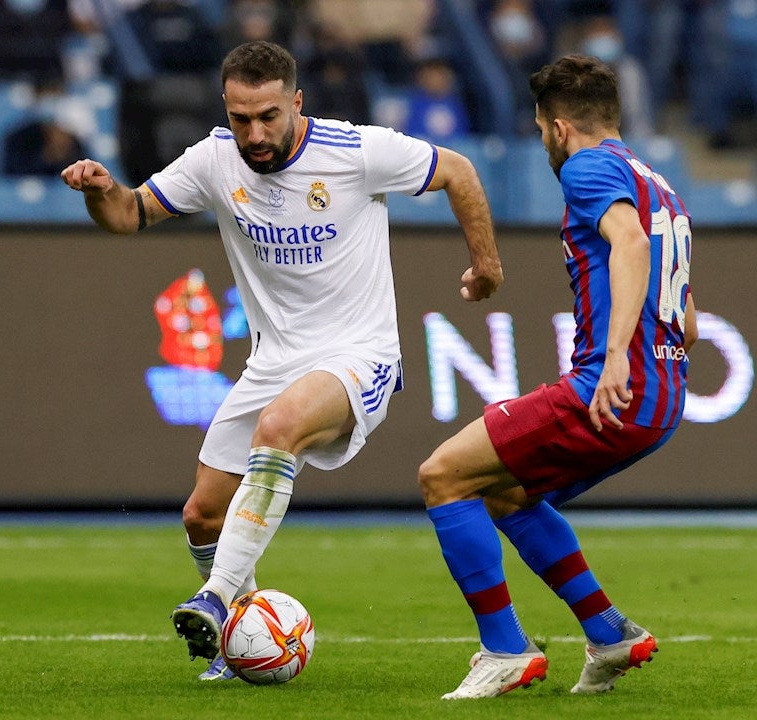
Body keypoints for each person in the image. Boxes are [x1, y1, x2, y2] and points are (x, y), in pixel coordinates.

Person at [61, 40, 503, 681]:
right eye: (241, 118)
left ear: (297, 102)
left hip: (359, 354)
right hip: (273, 363)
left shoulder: (355, 152)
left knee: (279, 429)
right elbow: (129, 214)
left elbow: (458, 170)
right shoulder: (214, 160)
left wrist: (486, 264)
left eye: (268, 116)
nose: (255, 133)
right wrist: (100, 191)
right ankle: (237, 642)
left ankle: (216, 598)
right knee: (202, 515)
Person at [417, 54, 697, 700]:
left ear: (560, 126)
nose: (544, 139)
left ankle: (505, 650)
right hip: (663, 397)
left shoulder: (587, 167)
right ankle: (609, 632)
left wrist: (618, 355)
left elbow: (630, 245)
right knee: (505, 492)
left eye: (542, 128)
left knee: (443, 475)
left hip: (613, 386)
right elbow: (686, 317)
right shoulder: (660, 185)